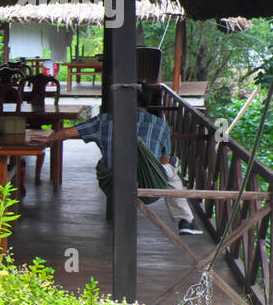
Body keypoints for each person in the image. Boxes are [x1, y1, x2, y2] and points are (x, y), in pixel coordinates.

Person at [40, 87, 200, 234]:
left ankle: (185, 218)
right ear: (145, 103)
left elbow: (67, 133)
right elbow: (163, 160)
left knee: (104, 163)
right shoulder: (159, 124)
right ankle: (185, 220)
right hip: (149, 182)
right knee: (171, 168)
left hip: (114, 181)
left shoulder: (103, 120)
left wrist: (47, 140)